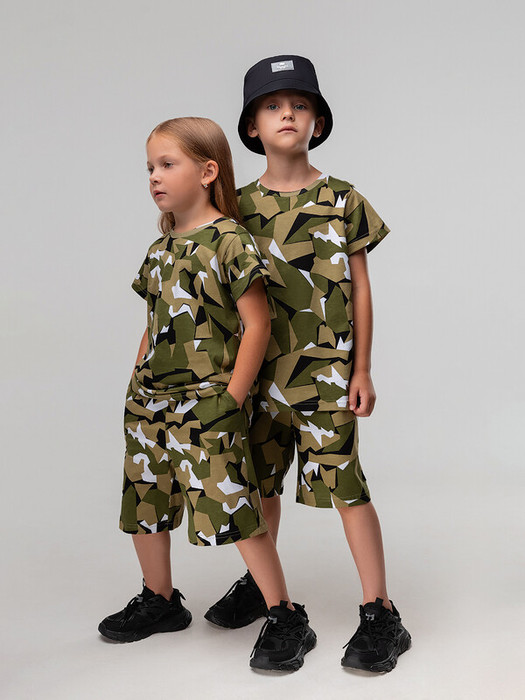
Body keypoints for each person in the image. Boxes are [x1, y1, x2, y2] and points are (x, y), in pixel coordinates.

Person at [205, 57, 412, 673]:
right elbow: (222, 291)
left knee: (347, 488)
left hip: (324, 378)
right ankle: (267, 593)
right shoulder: (234, 208)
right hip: (257, 378)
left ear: (318, 121)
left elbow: (361, 287)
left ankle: (380, 611)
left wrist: (362, 369)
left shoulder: (342, 199)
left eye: (299, 104)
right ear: (251, 127)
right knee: (258, 488)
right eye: (271, 106)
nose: (287, 114)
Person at [98, 117, 316, 671]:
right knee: (145, 502)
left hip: (206, 403)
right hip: (150, 402)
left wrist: (232, 399)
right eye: (150, 167)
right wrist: (135, 381)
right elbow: (153, 321)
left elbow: (258, 323)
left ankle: (284, 613)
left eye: (167, 164)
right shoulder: (160, 248)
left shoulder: (229, 241)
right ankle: (160, 599)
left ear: (208, 171)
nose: (154, 176)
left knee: (234, 505)